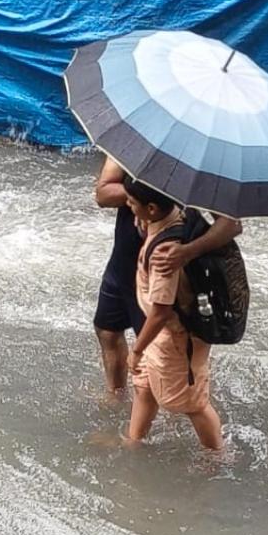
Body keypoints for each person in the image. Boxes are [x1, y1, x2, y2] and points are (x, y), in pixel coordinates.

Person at [122, 174, 241, 450]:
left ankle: (217, 456)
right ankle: (133, 441)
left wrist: (137, 349)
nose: (128, 206)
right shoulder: (179, 211)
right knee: (145, 385)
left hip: (173, 336)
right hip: (159, 333)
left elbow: (162, 311)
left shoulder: (167, 252)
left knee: (193, 403)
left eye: (131, 202)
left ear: (152, 208)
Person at [92, 157, 194, 399]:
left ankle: (177, 411)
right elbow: (103, 193)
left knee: (161, 345)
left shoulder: (204, 151)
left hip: (167, 260)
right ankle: (115, 395)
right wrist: (140, 194)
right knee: (107, 330)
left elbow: (230, 225)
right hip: (125, 257)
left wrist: (190, 250)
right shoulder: (136, 139)